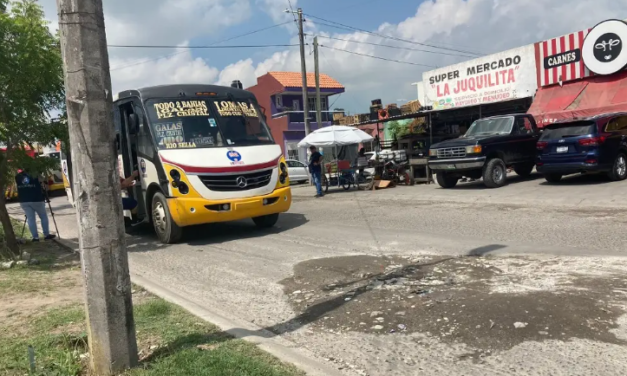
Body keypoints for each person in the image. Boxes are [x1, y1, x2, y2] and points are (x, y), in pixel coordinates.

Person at [15, 169, 56, 241]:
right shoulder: (36, 174)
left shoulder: (18, 176)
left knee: (30, 219)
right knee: (43, 216)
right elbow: (44, 182)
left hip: (24, 200)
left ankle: (35, 237)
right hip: (37, 199)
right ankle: (46, 235)